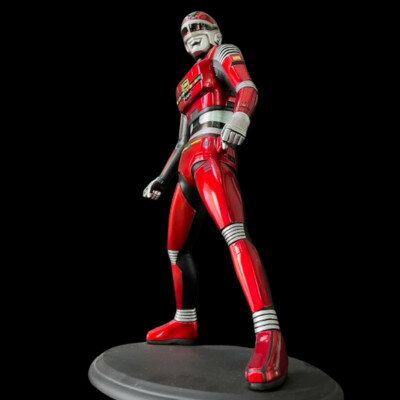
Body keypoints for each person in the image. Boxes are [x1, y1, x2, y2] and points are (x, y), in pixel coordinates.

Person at [143, 11, 288, 390]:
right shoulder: (185, 83)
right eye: (185, 31)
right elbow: (180, 139)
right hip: (188, 163)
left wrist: (242, 118)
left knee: (234, 235)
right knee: (176, 250)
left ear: (215, 32)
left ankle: (269, 334)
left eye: (198, 27)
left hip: (213, 153)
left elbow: (248, 87)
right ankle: (185, 321)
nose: (191, 34)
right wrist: (162, 176)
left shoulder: (223, 53)